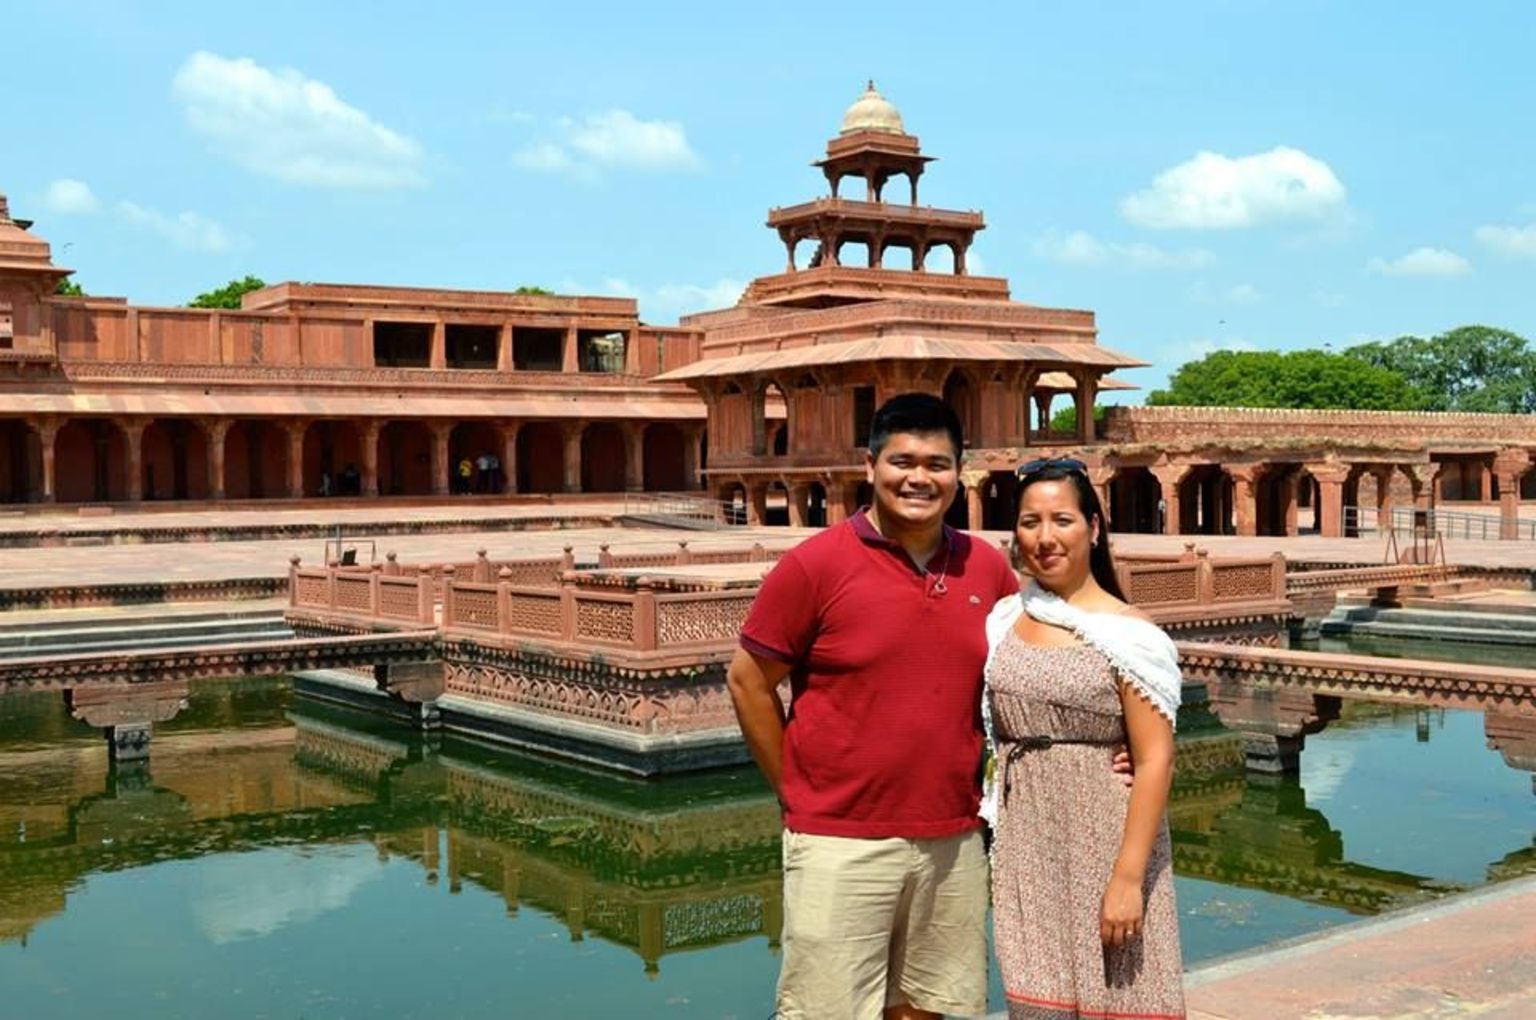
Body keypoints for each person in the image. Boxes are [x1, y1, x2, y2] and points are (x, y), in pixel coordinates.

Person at [728, 393, 1014, 1019]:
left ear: (959, 471)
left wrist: (1117, 744)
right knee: (829, 1008)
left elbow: (1031, 669)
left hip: (953, 836)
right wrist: (793, 788)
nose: (919, 478)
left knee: (929, 1006)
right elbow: (749, 681)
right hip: (840, 838)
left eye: (937, 464)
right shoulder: (816, 566)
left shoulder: (985, 568)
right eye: (902, 461)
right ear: (870, 466)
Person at [983, 458, 1184, 1020]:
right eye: (1030, 522)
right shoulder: (1005, 619)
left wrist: (1128, 879)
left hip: (1105, 836)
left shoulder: (1130, 635)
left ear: (1094, 528)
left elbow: (1155, 758)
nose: (1045, 538)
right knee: (1037, 1000)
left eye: (1062, 520)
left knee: (1118, 994)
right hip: (1027, 841)